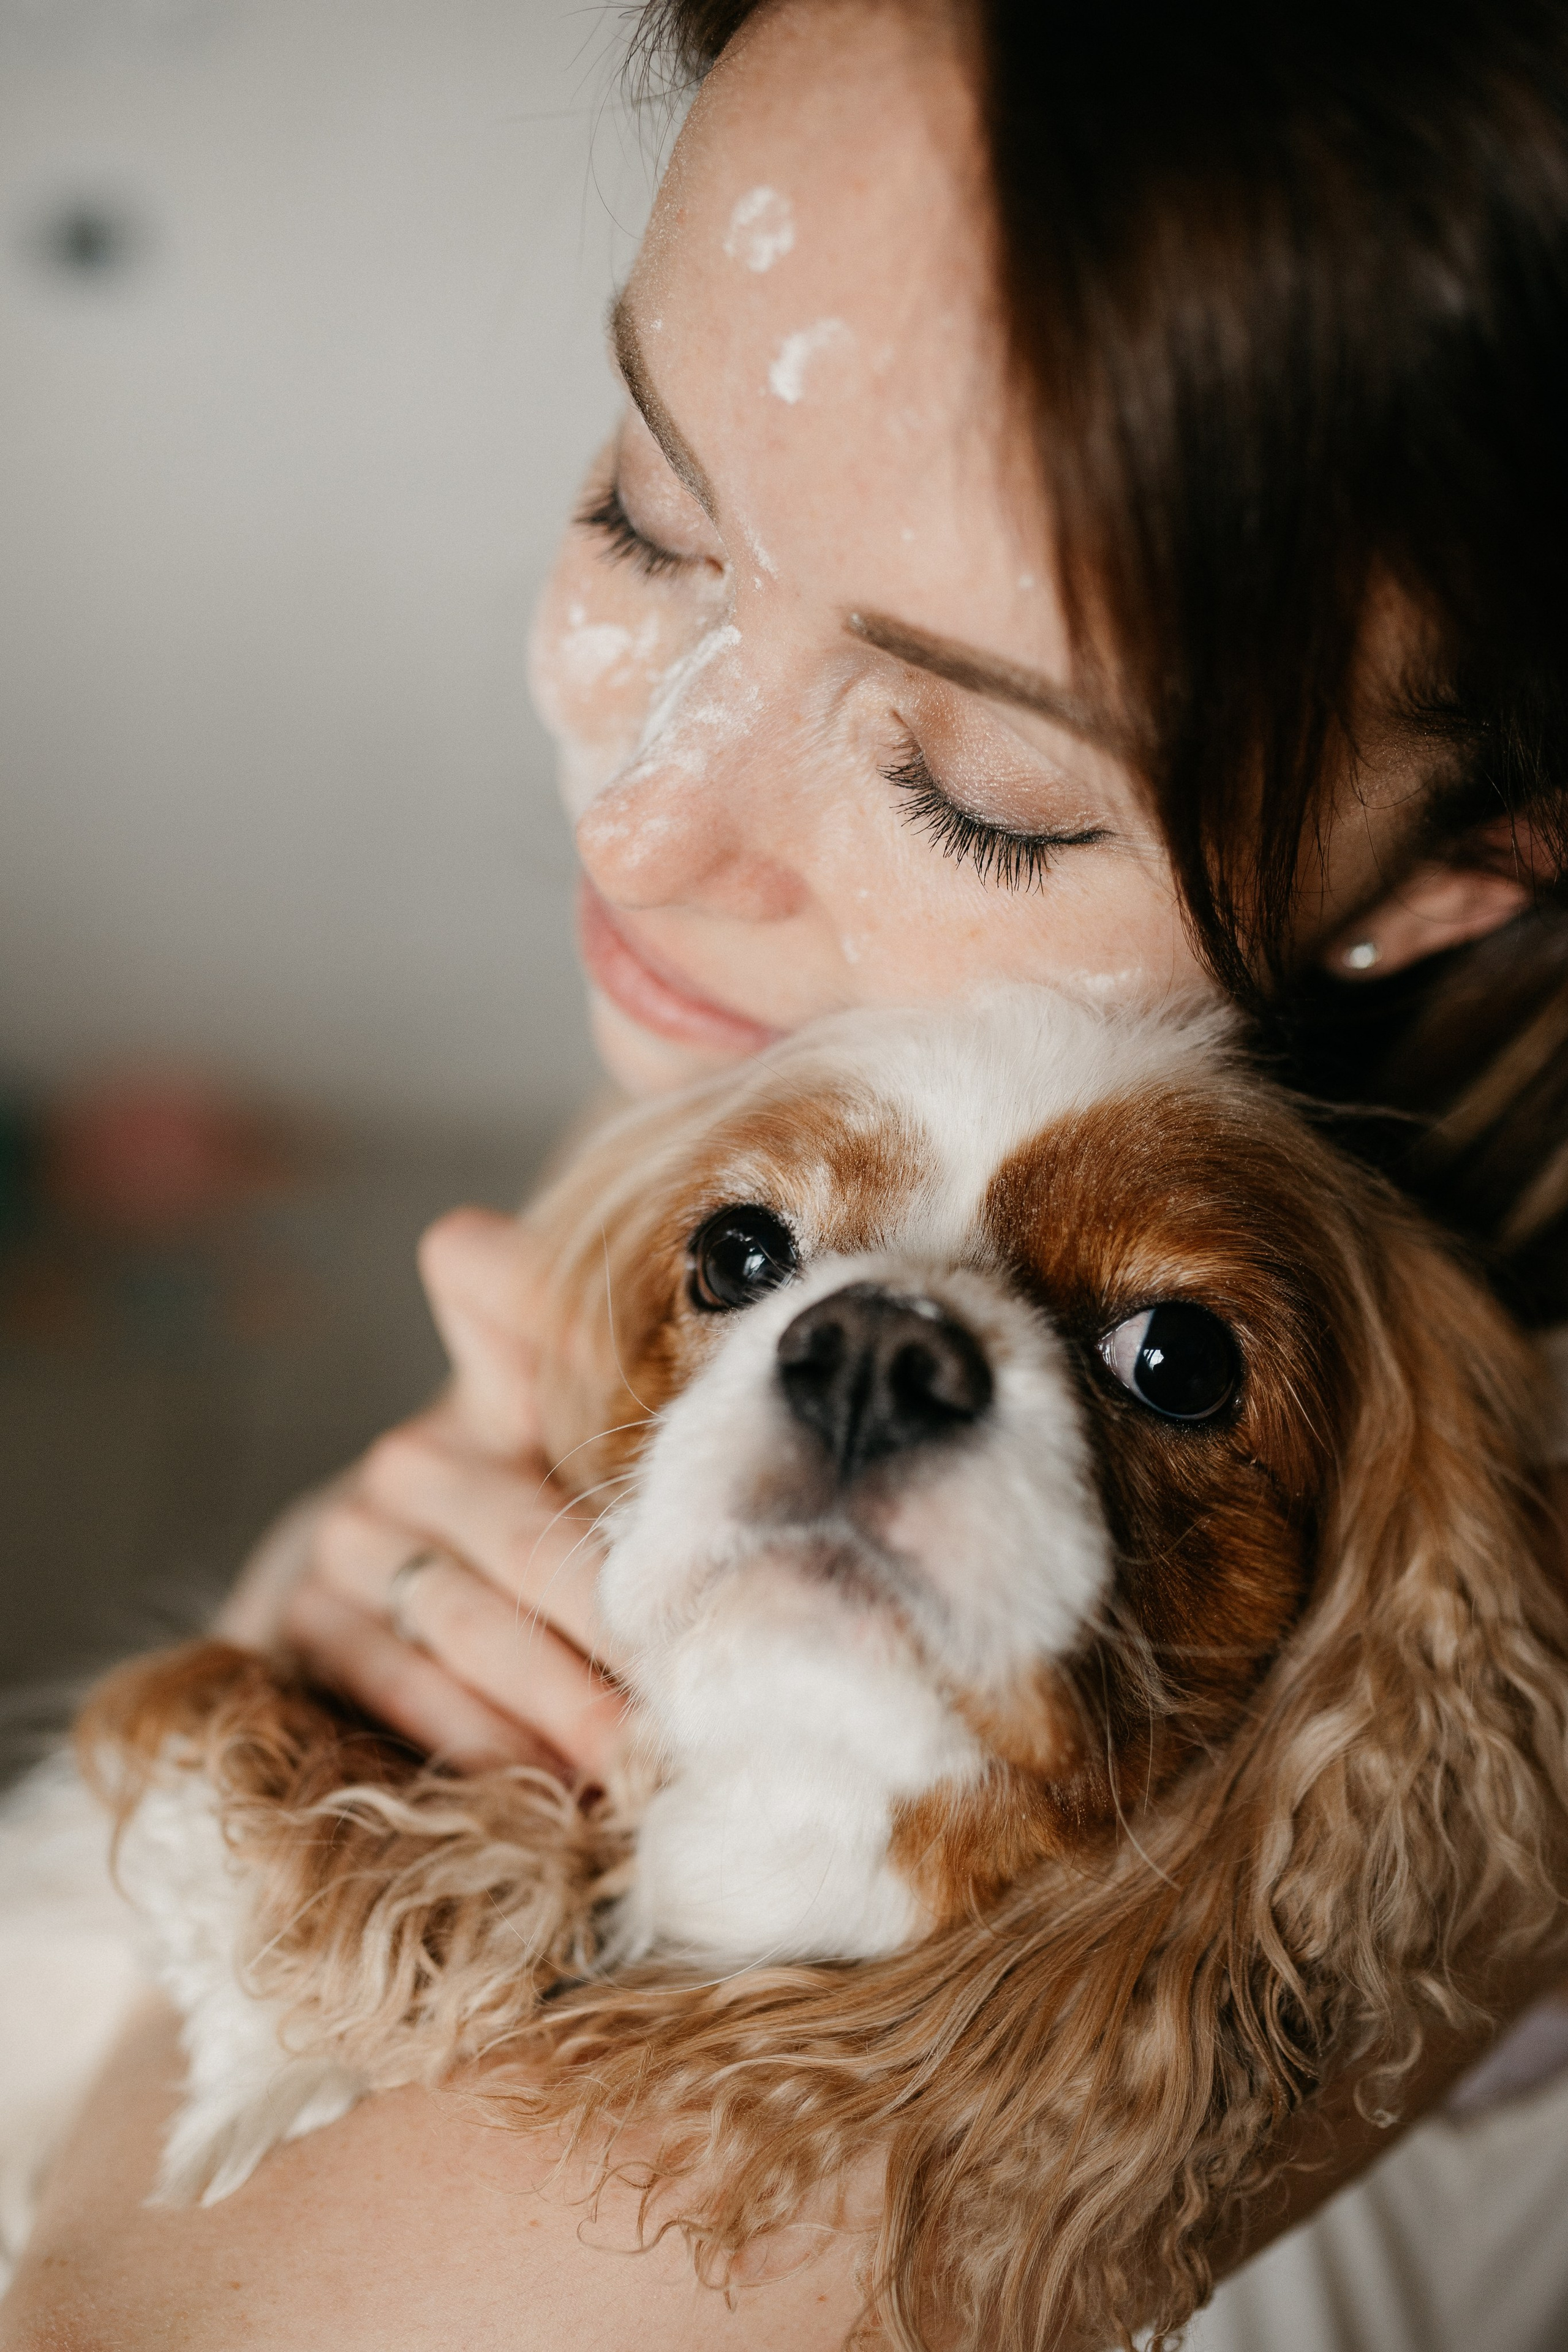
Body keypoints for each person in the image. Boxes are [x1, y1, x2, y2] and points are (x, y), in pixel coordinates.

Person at [7, 1, 1568, 2343]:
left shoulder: (1488, 1555)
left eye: (981, 784)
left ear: (1474, 862)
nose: (639, 811)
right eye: (651, 506)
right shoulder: (816, 1020)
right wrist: (326, 1647)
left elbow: (140, 2321)